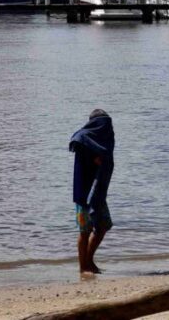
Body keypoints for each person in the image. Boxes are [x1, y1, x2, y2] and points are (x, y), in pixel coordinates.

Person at [69, 109, 115, 275]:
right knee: (85, 230)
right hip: (83, 194)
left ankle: (89, 260)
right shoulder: (82, 138)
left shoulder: (104, 140)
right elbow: (87, 157)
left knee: (102, 227)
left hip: (98, 194)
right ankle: (83, 267)